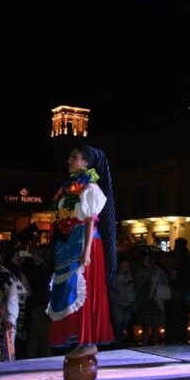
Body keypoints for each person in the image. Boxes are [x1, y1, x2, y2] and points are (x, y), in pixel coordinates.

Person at [47, 146, 115, 357]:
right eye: (70, 156)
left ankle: (89, 340)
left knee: (83, 288)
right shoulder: (68, 188)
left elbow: (90, 220)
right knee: (68, 288)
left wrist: (86, 252)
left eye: (74, 157)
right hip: (69, 242)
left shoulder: (90, 187)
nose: (69, 160)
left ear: (86, 163)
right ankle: (78, 338)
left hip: (85, 242)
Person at [109, 257, 136, 347]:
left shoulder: (132, 275)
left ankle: (121, 341)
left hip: (128, 303)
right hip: (117, 302)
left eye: (127, 265)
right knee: (118, 323)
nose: (125, 267)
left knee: (125, 323)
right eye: (124, 265)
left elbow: (134, 287)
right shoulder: (114, 275)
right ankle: (118, 343)